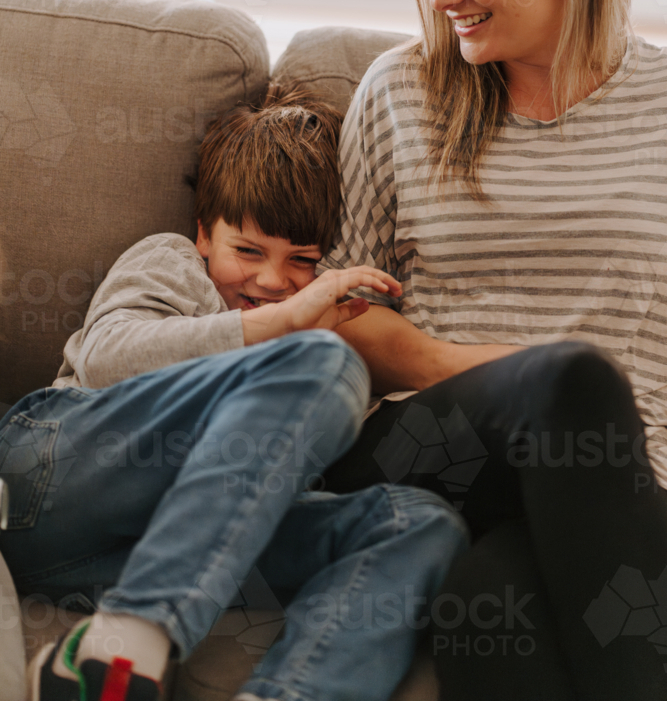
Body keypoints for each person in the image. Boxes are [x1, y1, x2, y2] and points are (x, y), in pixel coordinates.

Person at [319, 0, 667, 701]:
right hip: (429, 444)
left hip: (610, 485)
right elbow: (341, 317)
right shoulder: (401, 91)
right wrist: (447, 361)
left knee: (492, 607)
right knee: (571, 382)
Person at [0, 82, 468, 701]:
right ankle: (117, 653)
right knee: (324, 365)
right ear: (203, 234)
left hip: (141, 555)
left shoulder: (337, 330)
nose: (273, 281)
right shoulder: (173, 262)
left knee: (421, 524)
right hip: (52, 483)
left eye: (303, 261)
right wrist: (286, 325)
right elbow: (106, 357)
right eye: (247, 250)